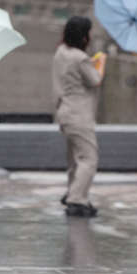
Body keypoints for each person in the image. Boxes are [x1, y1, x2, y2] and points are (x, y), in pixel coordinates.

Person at [52, 16, 106, 218]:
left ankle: (72, 192)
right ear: (83, 36)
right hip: (79, 114)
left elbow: (73, 72)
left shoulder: (61, 52)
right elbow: (95, 80)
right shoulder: (79, 57)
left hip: (64, 111)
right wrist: (101, 63)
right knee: (88, 158)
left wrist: (90, 63)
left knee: (74, 160)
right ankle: (77, 199)